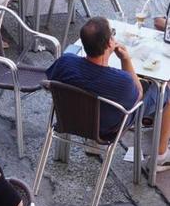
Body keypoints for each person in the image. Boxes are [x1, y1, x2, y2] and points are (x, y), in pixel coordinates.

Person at [47, 17, 170, 170]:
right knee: (166, 91)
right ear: (109, 43)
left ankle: (92, 143)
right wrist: (126, 59)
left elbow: (49, 81)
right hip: (107, 129)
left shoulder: (65, 62)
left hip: (69, 120)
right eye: (112, 33)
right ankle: (161, 156)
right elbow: (138, 95)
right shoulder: (122, 81)